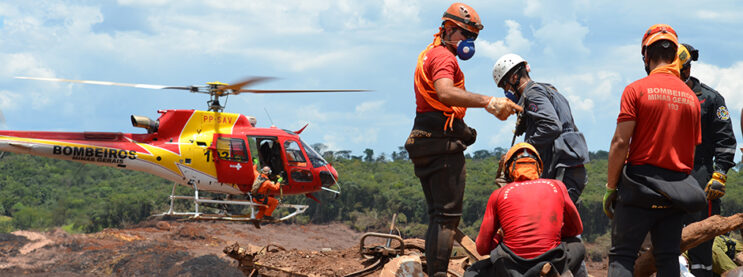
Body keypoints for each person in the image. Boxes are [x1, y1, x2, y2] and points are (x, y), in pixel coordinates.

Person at [404, 3, 522, 276]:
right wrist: (489, 102)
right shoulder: (444, 58)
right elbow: (445, 93)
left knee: (437, 215)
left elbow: (436, 105)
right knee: (447, 218)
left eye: (473, 38)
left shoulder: (428, 55)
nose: (469, 43)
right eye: (465, 35)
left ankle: (434, 269)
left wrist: (463, 129)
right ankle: (439, 273)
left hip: (424, 137)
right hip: (440, 145)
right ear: (447, 29)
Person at [603, 24, 704, 277]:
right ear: (674, 58)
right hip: (675, 191)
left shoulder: (635, 90)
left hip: (638, 187)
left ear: (646, 56)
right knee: (667, 257)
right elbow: (690, 153)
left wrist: (611, 187)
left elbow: (619, 143)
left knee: (622, 256)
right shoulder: (692, 98)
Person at [467, 142, 584, 277]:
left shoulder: (498, 195)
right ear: (539, 167)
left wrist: (500, 235)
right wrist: (551, 232)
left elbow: (482, 248)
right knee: (577, 246)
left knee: (472, 272)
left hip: (511, 268)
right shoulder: (557, 186)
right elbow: (576, 229)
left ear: (508, 171)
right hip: (552, 260)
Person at [491, 53, 590, 204]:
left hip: (561, 168)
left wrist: (522, 149)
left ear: (513, 78)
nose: (506, 92)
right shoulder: (549, 90)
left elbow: (551, 126)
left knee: (553, 220)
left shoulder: (533, 94)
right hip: (569, 166)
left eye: (504, 86)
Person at [675, 43, 737, 277]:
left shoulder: (711, 100)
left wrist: (720, 174)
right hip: (665, 173)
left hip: (700, 174)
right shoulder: (658, 95)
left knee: (702, 239)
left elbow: (726, 140)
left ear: (687, 70)